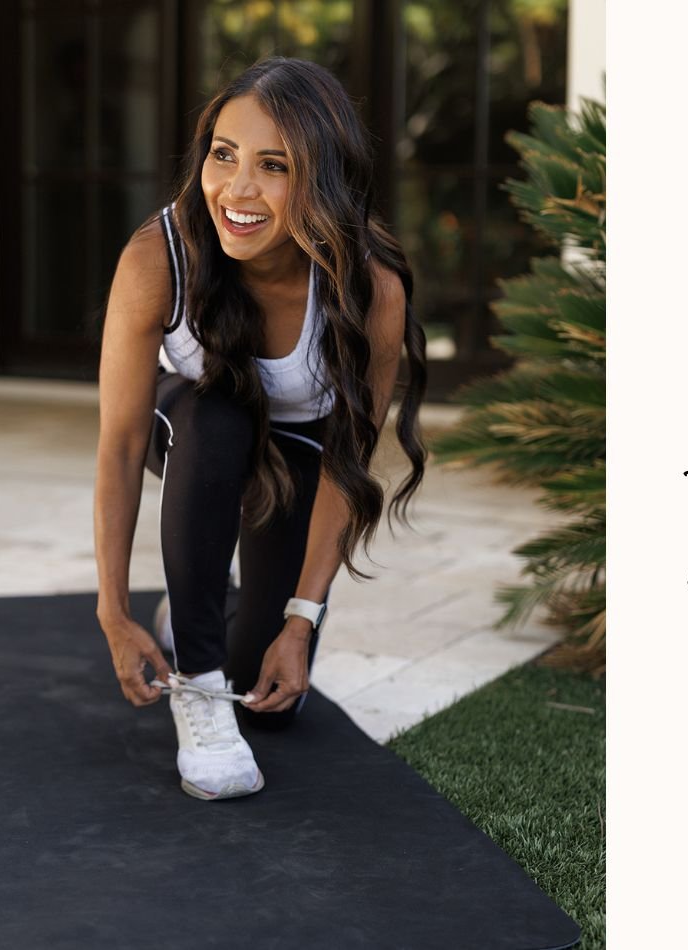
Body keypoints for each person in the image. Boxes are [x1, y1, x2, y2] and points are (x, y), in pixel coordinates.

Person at [92, 57, 427, 801]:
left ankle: (197, 613)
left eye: (272, 166)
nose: (236, 190)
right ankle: (197, 684)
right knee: (215, 414)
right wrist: (111, 609)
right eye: (223, 154)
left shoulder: (370, 288)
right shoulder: (160, 256)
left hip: (296, 458)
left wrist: (301, 623)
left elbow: (348, 459)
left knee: (273, 702)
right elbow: (118, 444)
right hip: (184, 438)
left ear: (322, 179)